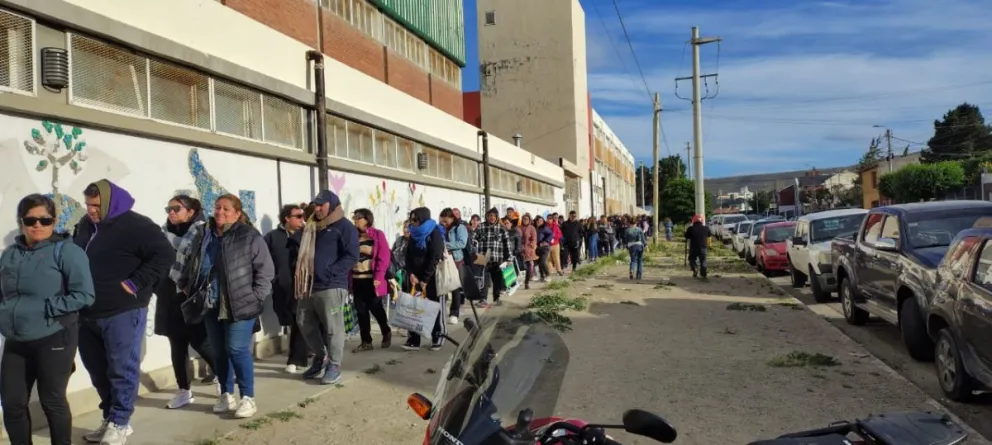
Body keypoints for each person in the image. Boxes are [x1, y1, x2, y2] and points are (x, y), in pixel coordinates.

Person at [72, 180, 174, 445]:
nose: (91, 210)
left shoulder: (136, 226)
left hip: (122, 311)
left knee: (121, 368)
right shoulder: (85, 226)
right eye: (88, 204)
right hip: (87, 313)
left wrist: (136, 282)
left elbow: (165, 255)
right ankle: (109, 417)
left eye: (96, 205)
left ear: (110, 202)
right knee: (97, 371)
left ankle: (120, 422)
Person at [0, 194, 95, 445]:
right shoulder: (10, 254)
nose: (37, 225)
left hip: (55, 335)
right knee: (12, 403)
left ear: (54, 221)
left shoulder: (67, 252)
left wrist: (47, 307)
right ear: (21, 222)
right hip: (16, 339)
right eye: (30, 220)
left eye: (45, 220)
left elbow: (85, 295)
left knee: (52, 400)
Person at [174, 194, 274, 418]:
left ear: (237, 214)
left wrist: (256, 296)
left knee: (236, 349)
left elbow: (265, 270)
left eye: (226, 209)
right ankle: (226, 394)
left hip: (241, 304)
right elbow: (191, 262)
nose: (220, 212)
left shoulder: (248, 236)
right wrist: (187, 286)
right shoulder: (204, 234)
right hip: (210, 304)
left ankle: (248, 397)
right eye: (217, 207)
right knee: (219, 351)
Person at [291, 190, 358, 385]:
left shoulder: (344, 226)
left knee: (333, 328)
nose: (318, 208)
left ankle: (334, 365)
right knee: (303, 322)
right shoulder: (312, 226)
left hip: (331, 285)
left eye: (322, 205)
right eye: (316, 205)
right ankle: (321, 357)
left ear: (333, 204)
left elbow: (352, 256)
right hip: (308, 284)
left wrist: (330, 272)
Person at [157, 195, 218, 409]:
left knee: (200, 342)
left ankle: (223, 377)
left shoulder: (201, 231)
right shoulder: (165, 231)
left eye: (176, 208)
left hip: (191, 295)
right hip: (169, 294)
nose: (171, 213)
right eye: (169, 209)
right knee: (176, 344)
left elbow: (193, 252)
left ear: (191, 212)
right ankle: (184, 390)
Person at [263, 204, 312, 373]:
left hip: (303, 287)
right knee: (288, 319)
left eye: (303, 216)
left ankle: (295, 359)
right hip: (281, 287)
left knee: (300, 320)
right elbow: (262, 260)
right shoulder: (272, 237)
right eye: (298, 216)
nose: (302, 219)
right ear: (287, 218)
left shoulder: (306, 235)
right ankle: (308, 347)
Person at [402, 207, 447, 351]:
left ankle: (438, 336)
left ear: (422, 218)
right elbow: (408, 256)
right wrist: (411, 274)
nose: (413, 222)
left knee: (434, 307)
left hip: (432, 277)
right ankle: (414, 339)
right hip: (415, 278)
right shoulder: (413, 233)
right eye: (411, 219)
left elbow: (435, 257)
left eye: (415, 219)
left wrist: (425, 279)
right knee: (414, 308)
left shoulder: (434, 232)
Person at [348, 208, 392, 352]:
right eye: (354, 218)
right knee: (361, 311)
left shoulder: (377, 235)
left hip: (372, 280)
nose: (356, 221)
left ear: (367, 219)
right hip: (356, 279)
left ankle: (386, 331)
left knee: (375, 307)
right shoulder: (352, 236)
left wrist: (379, 277)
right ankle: (366, 341)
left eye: (359, 218)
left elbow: (384, 256)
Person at [475, 208, 511, 307]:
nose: (492, 218)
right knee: (483, 279)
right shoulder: (481, 226)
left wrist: (509, 258)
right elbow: (474, 240)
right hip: (483, 257)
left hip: (497, 257)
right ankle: (483, 299)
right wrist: (475, 253)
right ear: (487, 216)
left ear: (497, 217)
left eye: (494, 216)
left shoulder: (501, 228)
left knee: (497, 280)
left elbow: (507, 245)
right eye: (490, 215)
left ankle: (496, 298)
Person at [439, 208, 469, 324]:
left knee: (455, 287)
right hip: (443, 260)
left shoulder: (460, 228)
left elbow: (462, 243)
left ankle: (454, 313)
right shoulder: (440, 228)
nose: (444, 223)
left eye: (446, 221)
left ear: (452, 218)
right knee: (442, 284)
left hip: (456, 260)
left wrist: (445, 245)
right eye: (442, 221)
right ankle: (442, 309)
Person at [685, 214, 710, 278]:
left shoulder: (690, 228)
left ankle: (694, 269)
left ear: (693, 221)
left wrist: (686, 232)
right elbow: (709, 235)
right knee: (703, 259)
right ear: (702, 221)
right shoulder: (706, 228)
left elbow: (687, 236)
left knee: (691, 259)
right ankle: (703, 271)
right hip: (703, 247)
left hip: (693, 247)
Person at [518, 214, 538, 290]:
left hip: (529, 250)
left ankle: (527, 282)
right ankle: (517, 282)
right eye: (524, 219)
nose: (525, 220)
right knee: (519, 266)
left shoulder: (532, 228)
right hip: (520, 250)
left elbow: (534, 239)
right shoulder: (518, 227)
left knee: (529, 266)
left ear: (529, 220)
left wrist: (531, 246)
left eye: (527, 219)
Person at [533, 216, 553, 282]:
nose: (539, 222)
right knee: (539, 262)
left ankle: (548, 275)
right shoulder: (534, 228)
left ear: (543, 221)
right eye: (538, 221)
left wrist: (546, 241)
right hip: (537, 248)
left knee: (543, 262)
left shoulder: (544, 228)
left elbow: (551, 234)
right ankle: (542, 276)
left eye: (541, 221)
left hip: (544, 248)